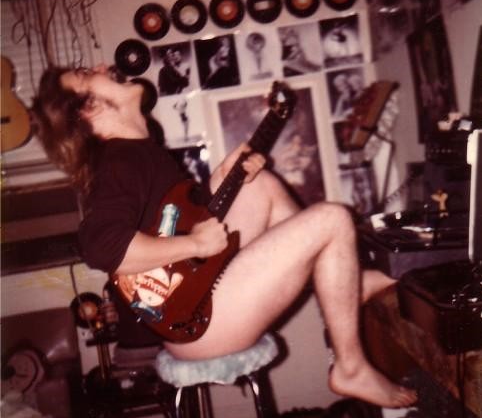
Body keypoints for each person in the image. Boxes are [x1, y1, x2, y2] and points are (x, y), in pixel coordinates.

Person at [32, 64, 417, 409]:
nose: (102, 66)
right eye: (87, 74)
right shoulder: (119, 161)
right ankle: (350, 367)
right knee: (332, 219)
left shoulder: (140, 151)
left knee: (259, 184)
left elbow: (185, 220)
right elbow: (102, 247)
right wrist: (196, 244)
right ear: (88, 109)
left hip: (198, 299)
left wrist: (220, 179)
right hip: (199, 324)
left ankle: (346, 283)